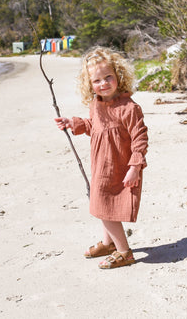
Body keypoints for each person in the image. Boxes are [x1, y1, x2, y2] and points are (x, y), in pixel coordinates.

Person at [55, 46, 148, 269]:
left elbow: (140, 139)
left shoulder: (129, 108)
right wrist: (72, 123)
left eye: (108, 77)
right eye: (97, 80)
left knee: (104, 206)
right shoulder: (95, 105)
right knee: (101, 204)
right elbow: (94, 127)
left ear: (119, 76)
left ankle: (124, 251)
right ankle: (108, 244)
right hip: (100, 165)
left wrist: (135, 166)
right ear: (89, 84)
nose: (103, 83)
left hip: (120, 167)